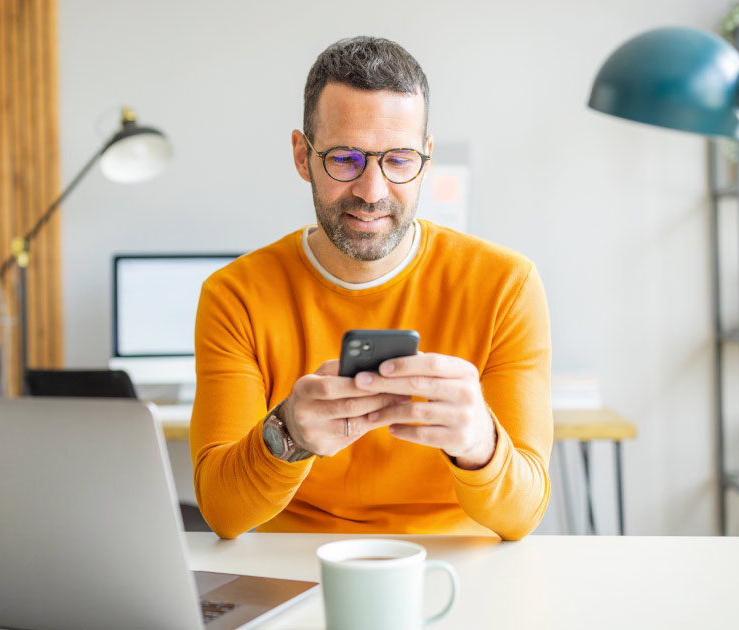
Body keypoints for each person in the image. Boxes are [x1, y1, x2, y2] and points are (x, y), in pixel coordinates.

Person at [190, 36, 552, 540]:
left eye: (399, 160)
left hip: (455, 568)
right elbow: (222, 515)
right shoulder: (235, 296)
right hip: (296, 568)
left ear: (427, 158)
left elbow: (523, 517)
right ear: (302, 155)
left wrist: (481, 443)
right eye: (344, 159)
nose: (372, 191)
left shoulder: (506, 286)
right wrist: (288, 433)